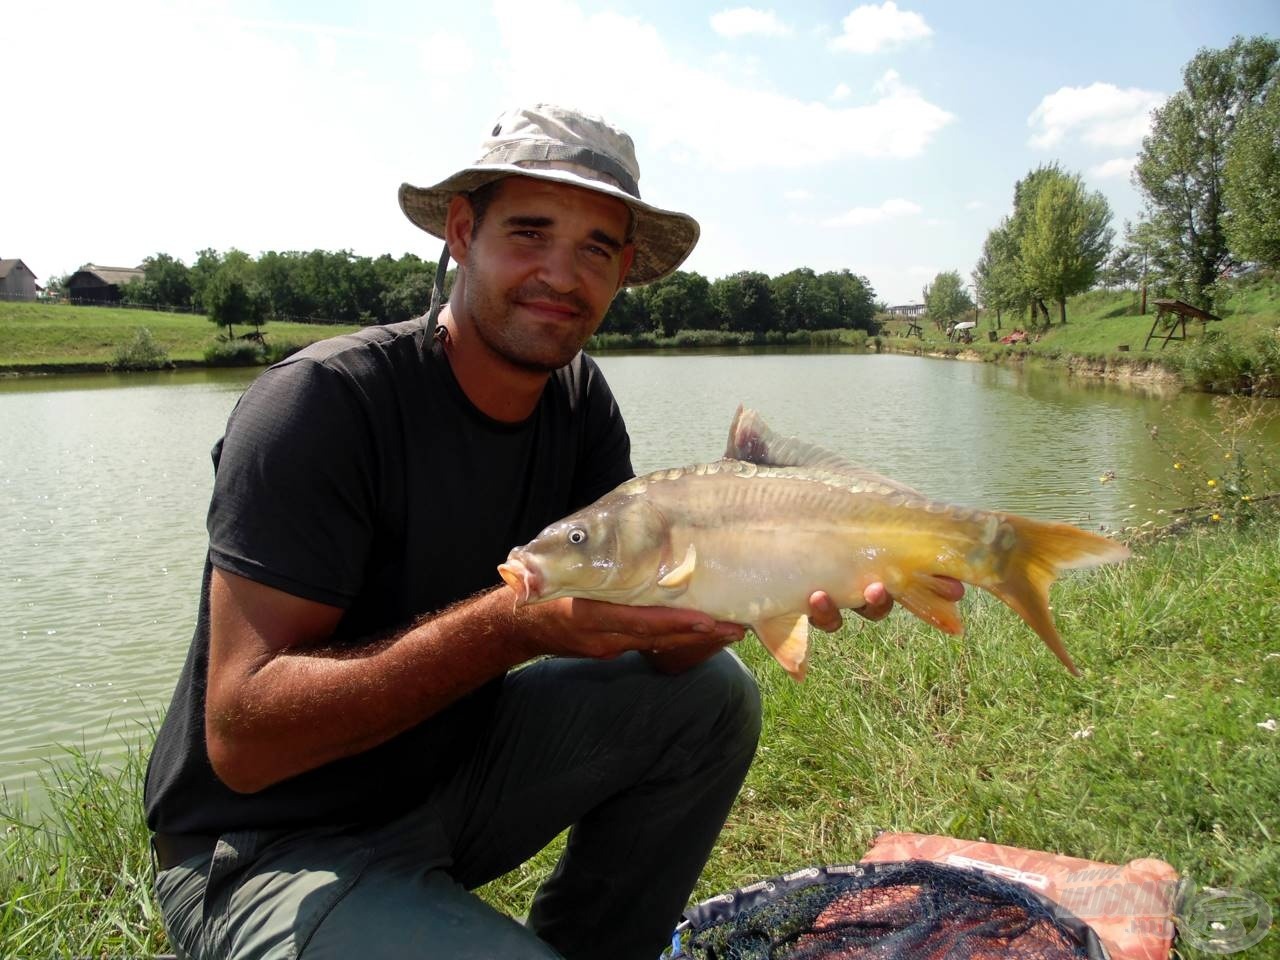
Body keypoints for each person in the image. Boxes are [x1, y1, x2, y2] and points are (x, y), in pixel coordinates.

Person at [144, 103, 959, 960]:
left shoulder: (576, 401)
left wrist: (739, 591)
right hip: (268, 846)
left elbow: (651, 641)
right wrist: (512, 627)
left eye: (596, 249)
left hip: (445, 779)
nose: (560, 276)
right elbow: (241, 740)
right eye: (529, 233)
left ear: (622, 272)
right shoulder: (322, 404)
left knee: (710, 698)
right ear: (462, 232)